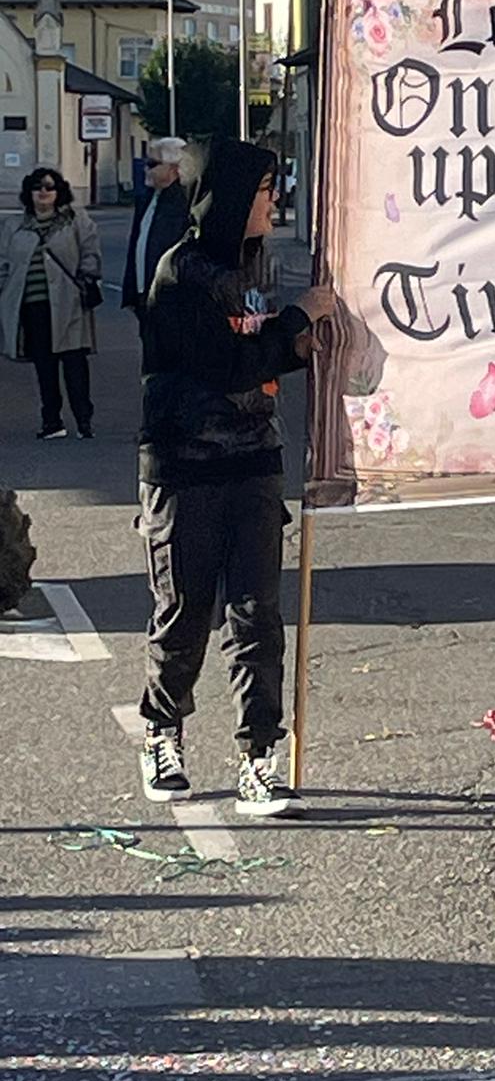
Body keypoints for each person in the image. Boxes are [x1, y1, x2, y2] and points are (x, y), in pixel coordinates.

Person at [136, 138, 333, 816]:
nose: (273, 200)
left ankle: (260, 758)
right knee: (187, 613)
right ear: (224, 198)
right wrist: (297, 319)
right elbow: (225, 363)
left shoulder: (259, 262)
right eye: (262, 190)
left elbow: (262, 355)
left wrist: (301, 345)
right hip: (183, 465)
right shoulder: (180, 271)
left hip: (252, 460)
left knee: (257, 616)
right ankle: (163, 732)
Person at [0, 167, 101, 439]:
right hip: (32, 307)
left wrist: (88, 276)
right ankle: (52, 421)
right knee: (44, 366)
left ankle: (83, 420)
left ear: (59, 192)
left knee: (74, 364)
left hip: (69, 304)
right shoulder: (13, 226)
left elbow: (90, 252)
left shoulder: (75, 220)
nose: (43, 192)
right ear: (28, 192)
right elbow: (4, 264)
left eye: (49, 187)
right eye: (37, 187)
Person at [122, 137, 191, 319]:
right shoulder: (146, 200)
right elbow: (136, 246)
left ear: (174, 168)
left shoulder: (185, 203)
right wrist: (131, 293)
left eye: (152, 164)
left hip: (171, 300)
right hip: (144, 296)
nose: (146, 169)